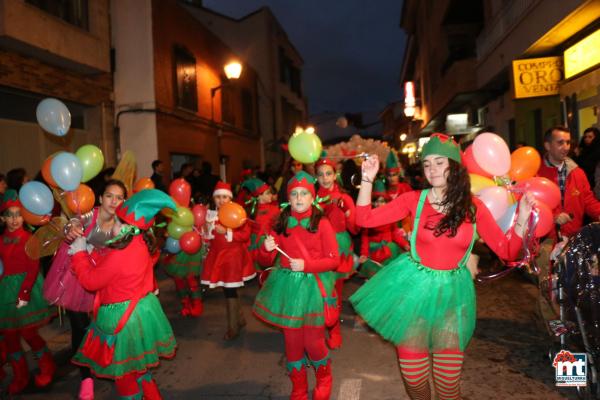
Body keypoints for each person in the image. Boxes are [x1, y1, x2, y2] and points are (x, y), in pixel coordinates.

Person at [350, 133, 535, 400]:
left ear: (455, 166)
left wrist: (522, 220)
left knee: (448, 386)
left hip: (453, 298)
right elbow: (364, 219)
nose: (432, 169)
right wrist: (367, 178)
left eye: (440, 162)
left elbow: (508, 251)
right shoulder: (414, 199)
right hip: (413, 293)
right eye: (427, 164)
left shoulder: (474, 207)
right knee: (414, 379)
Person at [69, 189, 178, 399]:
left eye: (117, 222)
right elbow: (115, 271)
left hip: (121, 316)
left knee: (125, 375)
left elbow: (91, 282)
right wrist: (93, 255)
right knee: (140, 368)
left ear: (128, 226)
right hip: (142, 312)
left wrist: (79, 253)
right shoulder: (140, 243)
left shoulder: (121, 251)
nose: (113, 225)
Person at [253, 171, 339, 400]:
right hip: (288, 289)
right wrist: (266, 248)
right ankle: (299, 387)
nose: (299, 198)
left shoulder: (322, 223)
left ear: (313, 198)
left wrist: (307, 265)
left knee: (313, 342)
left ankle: (324, 379)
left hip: (313, 288)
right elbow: (264, 261)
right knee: (292, 344)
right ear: (288, 199)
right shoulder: (280, 223)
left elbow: (334, 260)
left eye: (304, 194)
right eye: (294, 194)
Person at [43, 179, 127, 400]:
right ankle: (86, 378)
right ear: (101, 198)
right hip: (77, 278)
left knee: (109, 325)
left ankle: (114, 366)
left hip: (106, 279)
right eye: (110, 196)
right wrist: (70, 229)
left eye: (119, 197)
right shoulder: (89, 216)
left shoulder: (123, 222)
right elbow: (71, 225)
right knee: (80, 328)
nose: (114, 201)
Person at [0, 189, 56, 394]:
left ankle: (47, 366)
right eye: (9, 215)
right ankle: (20, 375)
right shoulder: (0, 241)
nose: (15, 219)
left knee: (29, 333)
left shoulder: (29, 239)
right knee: (10, 336)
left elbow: (33, 269)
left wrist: (24, 293)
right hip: (4, 294)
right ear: (2, 218)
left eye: (18, 214)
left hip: (26, 290)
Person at [201, 181, 256, 340]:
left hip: (233, 256)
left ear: (230, 198)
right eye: (218, 197)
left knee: (230, 290)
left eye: (224, 196)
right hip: (218, 256)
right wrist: (206, 232)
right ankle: (239, 319)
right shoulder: (211, 215)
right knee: (228, 289)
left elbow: (244, 235)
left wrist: (227, 231)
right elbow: (210, 238)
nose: (221, 200)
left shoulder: (237, 213)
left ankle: (233, 328)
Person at [315, 157, 358, 350]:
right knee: (317, 291)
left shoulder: (345, 198)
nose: (325, 178)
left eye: (328, 173)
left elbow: (355, 229)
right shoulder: (311, 198)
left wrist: (347, 211)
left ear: (335, 175)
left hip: (338, 248)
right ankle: (316, 327)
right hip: (316, 247)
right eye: (321, 174)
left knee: (335, 292)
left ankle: (334, 330)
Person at [537, 126, 600, 239]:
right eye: (560, 143)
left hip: (573, 239)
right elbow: (532, 208)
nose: (566, 147)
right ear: (547, 146)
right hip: (546, 241)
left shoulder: (577, 172)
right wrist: (553, 217)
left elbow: (588, 200)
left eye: (568, 142)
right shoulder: (536, 174)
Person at [357, 179, 409, 279]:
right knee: (376, 275)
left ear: (386, 202)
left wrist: (405, 244)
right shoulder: (368, 217)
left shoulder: (389, 216)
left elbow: (394, 233)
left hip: (389, 249)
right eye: (376, 201)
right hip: (375, 250)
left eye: (382, 201)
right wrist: (364, 253)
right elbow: (365, 237)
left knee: (389, 274)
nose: (379, 204)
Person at [243, 178, 280, 271]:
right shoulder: (251, 210)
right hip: (254, 242)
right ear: (259, 196)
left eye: (270, 192)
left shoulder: (275, 209)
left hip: (268, 241)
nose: (271, 195)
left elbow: (278, 227)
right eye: (267, 193)